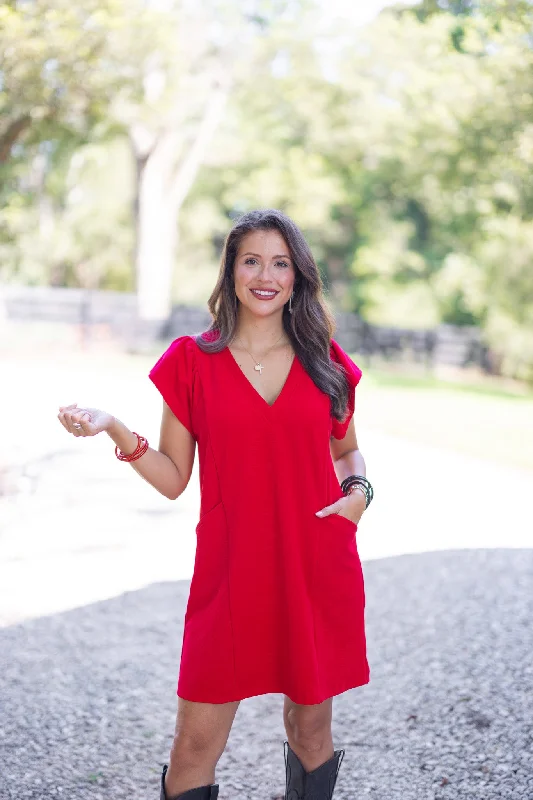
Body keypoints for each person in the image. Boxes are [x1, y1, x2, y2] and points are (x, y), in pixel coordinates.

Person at [57, 208, 374, 800]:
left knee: (311, 732)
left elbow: (348, 453)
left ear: (298, 276)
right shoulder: (190, 362)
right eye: (251, 260)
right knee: (194, 749)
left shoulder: (324, 360)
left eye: (281, 263)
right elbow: (175, 477)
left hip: (313, 564)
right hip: (230, 575)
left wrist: (360, 494)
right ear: (230, 271)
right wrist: (115, 428)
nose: (266, 275)